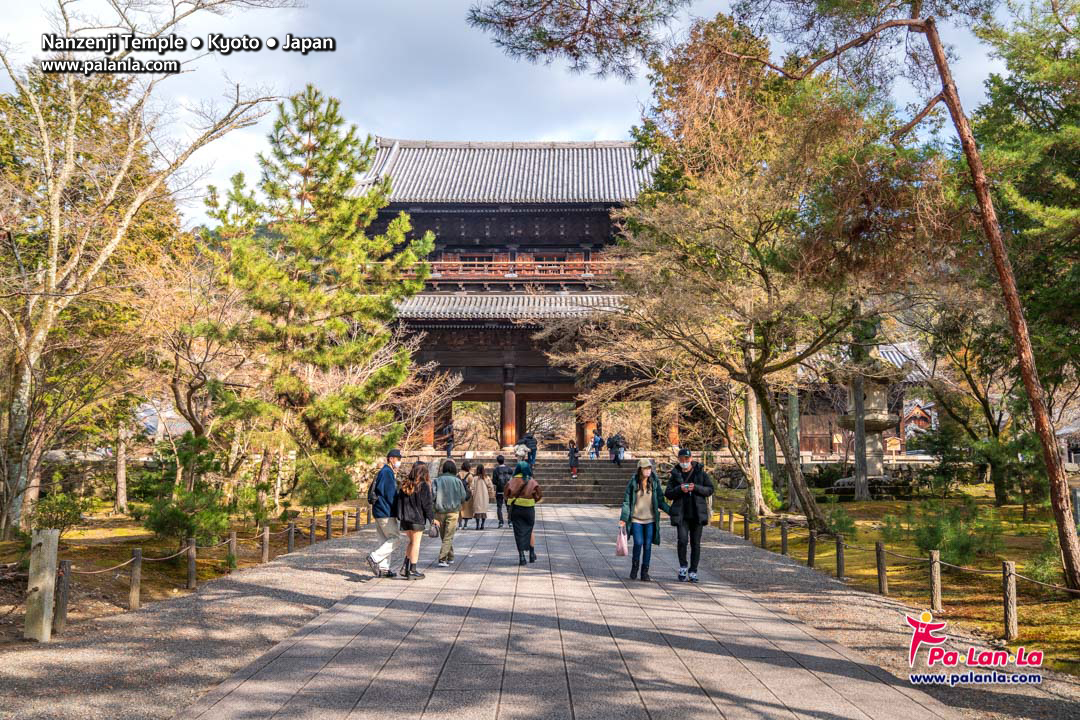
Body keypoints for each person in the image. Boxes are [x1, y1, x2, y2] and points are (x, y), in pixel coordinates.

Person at [665, 448, 715, 583]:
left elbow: (710, 489)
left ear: (691, 459)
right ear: (679, 460)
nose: (684, 462)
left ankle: (693, 570)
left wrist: (696, 488)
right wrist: (679, 489)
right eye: (682, 460)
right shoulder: (675, 474)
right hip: (681, 514)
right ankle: (683, 566)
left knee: (695, 543)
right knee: (682, 541)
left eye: (687, 459)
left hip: (697, 514)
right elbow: (668, 493)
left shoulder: (700, 473)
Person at [619, 459, 671, 582]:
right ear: (640, 470)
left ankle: (645, 571)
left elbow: (660, 500)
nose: (648, 470)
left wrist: (672, 512)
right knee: (638, 542)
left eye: (649, 468)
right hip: (636, 519)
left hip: (650, 520)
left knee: (647, 545)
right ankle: (635, 566)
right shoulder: (633, 483)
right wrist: (623, 519)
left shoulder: (654, 482)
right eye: (645, 468)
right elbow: (627, 502)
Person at [393, 462, 435, 580]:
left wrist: (400, 516)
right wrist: (432, 519)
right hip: (417, 519)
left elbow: (399, 502)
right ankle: (413, 569)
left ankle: (405, 567)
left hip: (405, 519)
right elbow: (427, 505)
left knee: (411, 542)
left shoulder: (405, 484)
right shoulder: (423, 486)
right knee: (416, 544)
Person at [366, 448, 403, 578]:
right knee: (396, 539)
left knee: (384, 540)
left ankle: (384, 568)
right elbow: (390, 494)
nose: (399, 462)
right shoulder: (387, 472)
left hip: (378, 510)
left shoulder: (384, 471)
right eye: (398, 459)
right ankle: (374, 557)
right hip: (386, 511)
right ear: (391, 459)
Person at [506, 461, 543, 565]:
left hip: (517, 509)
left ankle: (522, 557)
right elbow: (539, 494)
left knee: (518, 532)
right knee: (530, 530)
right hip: (529, 509)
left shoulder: (512, 481)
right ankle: (532, 554)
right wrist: (532, 500)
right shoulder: (532, 481)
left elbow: (507, 493)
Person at [433, 459, 468, 567]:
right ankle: (442, 558)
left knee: (444, 536)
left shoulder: (437, 480)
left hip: (439, 511)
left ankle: (450, 556)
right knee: (448, 536)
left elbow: (433, 496)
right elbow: (463, 497)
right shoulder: (457, 481)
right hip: (453, 511)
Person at [491, 455, 513, 529]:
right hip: (508, 490)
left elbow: (494, 481)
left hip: (499, 490)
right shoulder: (509, 469)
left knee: (499, 506)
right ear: (504, 460)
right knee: (509, 506)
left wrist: (498, 483)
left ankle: (501, 522)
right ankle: (510, 522)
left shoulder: (496, 470)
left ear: (497, 461)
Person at [471, 464, 493, 529]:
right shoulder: (486, 478)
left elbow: (471, 487)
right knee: (483, 511)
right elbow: (491, 486)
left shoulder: (475, 478)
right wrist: (488, 492)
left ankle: (477, 525)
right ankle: (482, 525)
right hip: (484, 496)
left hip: (477, 496)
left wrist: (473, 494)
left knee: (477, 511)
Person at [458, 460, 474, 530]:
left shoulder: (457, 474)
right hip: (467, 494)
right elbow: (472, 486)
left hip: (458, 494)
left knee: (459, 510)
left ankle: (460, 524)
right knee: (467, 509)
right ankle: (465, 524)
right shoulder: (470, 475)